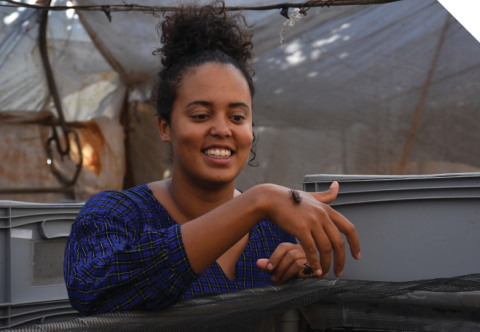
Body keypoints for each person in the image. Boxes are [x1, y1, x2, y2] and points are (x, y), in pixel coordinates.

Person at [64, 0, 360, 316]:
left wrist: (302, 276)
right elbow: (92, 292)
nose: (222, 129)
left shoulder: (277, 229)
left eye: (237, 117)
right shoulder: (116, 215)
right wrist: (257, 201)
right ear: (165, 127)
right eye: (202, 114)